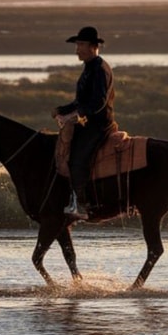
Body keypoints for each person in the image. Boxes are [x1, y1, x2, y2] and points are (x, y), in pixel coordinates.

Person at [52, 26, 117, 219]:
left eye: (81, 45)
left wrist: (76, 115)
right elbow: (80, 101)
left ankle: (83, 204)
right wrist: (62, 110)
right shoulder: (90, 67)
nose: (77, 50)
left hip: (98, 125)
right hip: (88, 122)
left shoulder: (100, 69)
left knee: (78, 158)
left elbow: (98, 102)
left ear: (93, 47)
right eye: (77, 45)